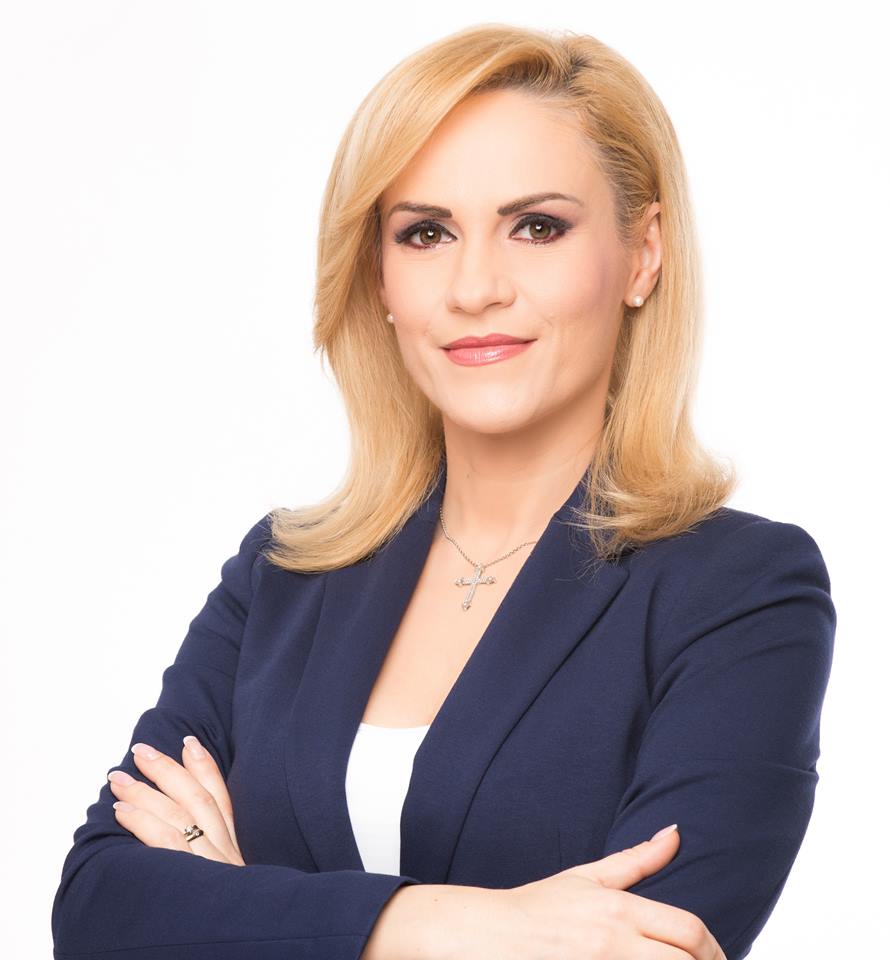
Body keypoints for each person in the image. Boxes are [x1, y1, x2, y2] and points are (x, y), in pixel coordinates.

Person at [50, 23, 835, 960]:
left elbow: (647, 949)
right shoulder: (284, 576)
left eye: (536, 226)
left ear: (641, 254)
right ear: (379, 278)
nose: (474, 287)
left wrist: (236, 902)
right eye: (425, 233)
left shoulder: (740, 590)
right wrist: (458, 924)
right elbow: (98, 910)